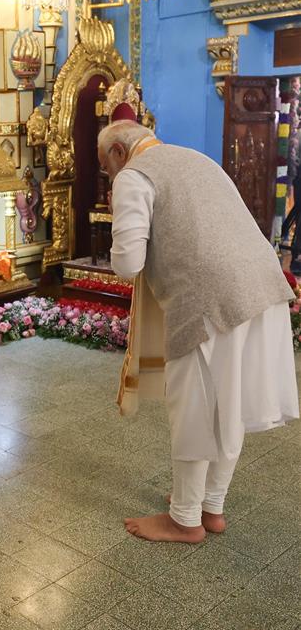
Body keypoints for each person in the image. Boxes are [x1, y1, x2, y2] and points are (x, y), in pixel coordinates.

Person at [99, 120, 299, 543]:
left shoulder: (135, 174)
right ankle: (211, 506)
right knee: (229, 406)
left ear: (119, 152)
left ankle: (184, 518)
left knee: (194, 409)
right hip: (261, 288)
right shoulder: (194, 157)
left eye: (106, 169)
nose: (109, 178)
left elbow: (126, 263)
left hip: (209, 301)